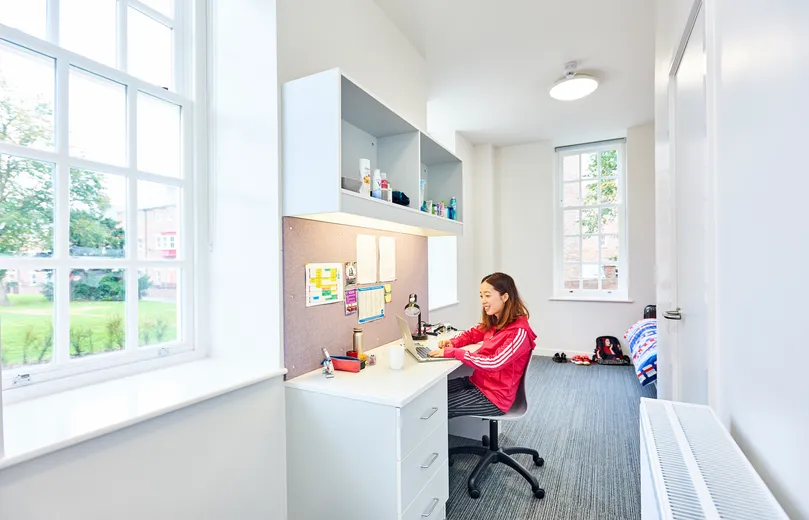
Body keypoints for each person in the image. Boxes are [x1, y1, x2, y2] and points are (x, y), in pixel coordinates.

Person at [429, 272, 536, 419]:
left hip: (494, 398)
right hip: (476, 383)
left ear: (504, 297)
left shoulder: (519, 332)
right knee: (430, 395)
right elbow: (473, 334)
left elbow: (494, 363)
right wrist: (453, 342)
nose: (483, 301)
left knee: (435, 408)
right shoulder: (496, 321)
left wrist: (454, 352)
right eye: (481, 296)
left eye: (487, 295)